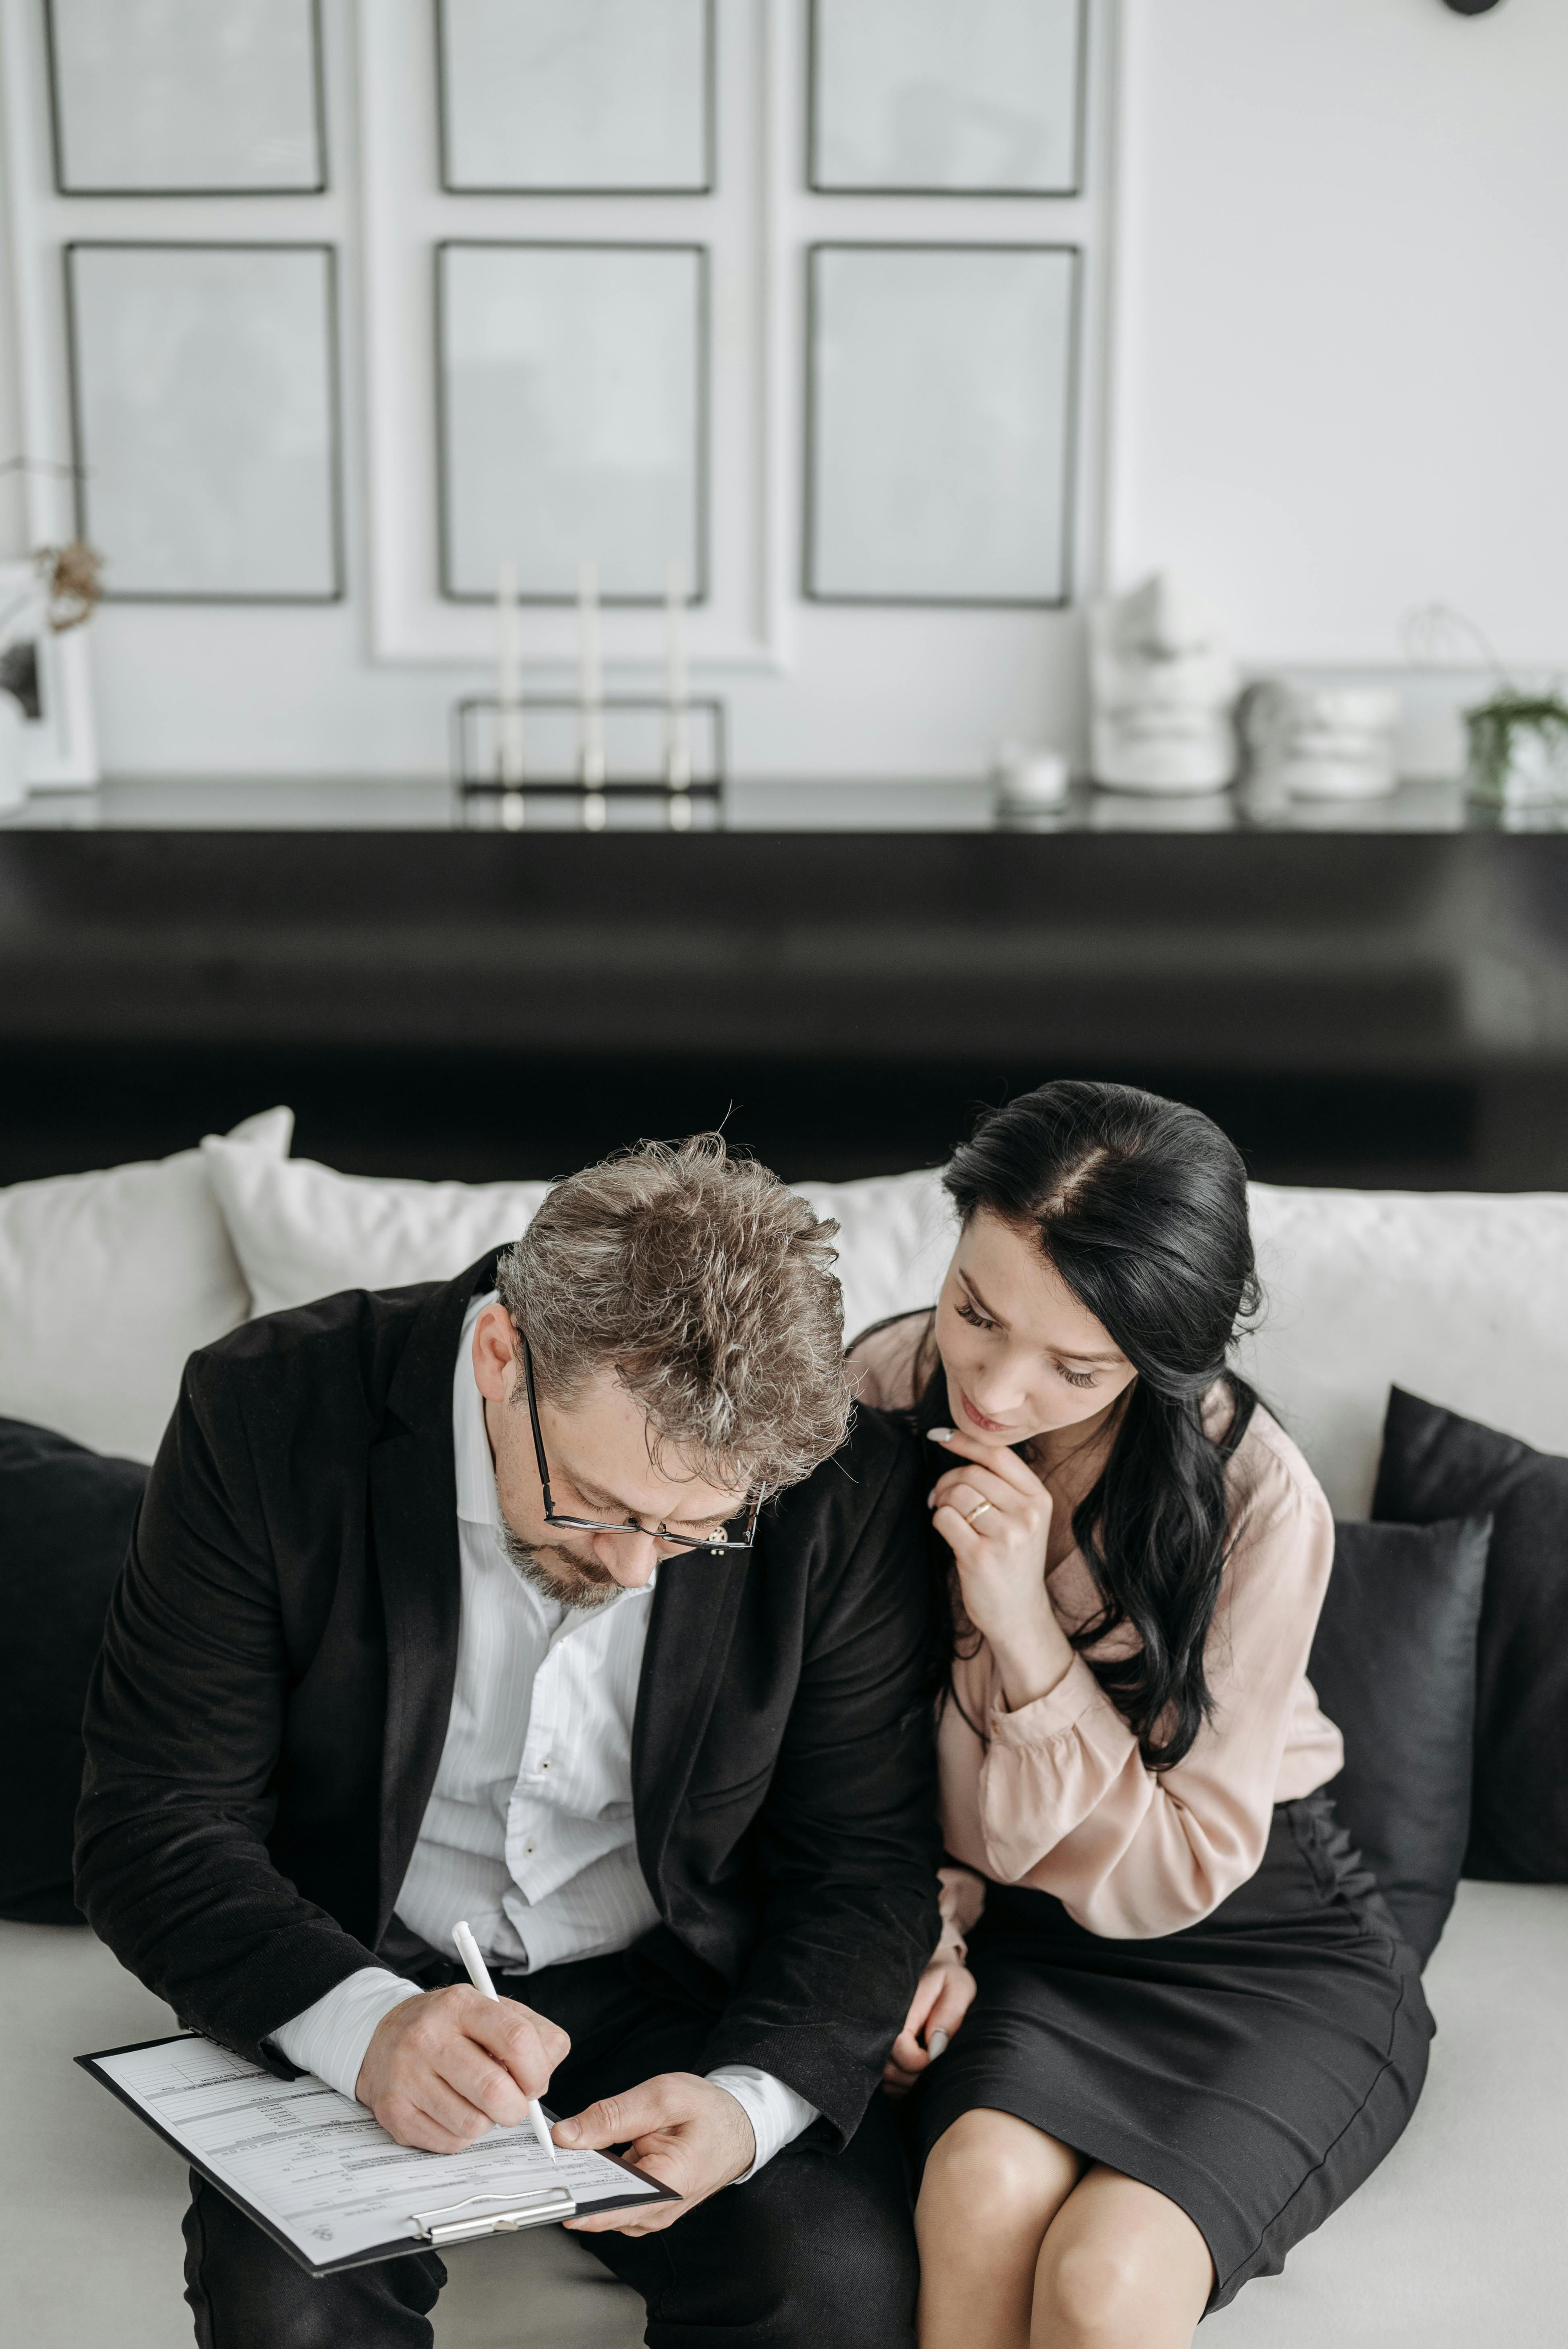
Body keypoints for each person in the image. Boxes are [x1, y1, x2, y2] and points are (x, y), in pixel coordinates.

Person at [77, 1136, 941, 2349]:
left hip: (684, 1990)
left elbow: (862, 1859)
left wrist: (749, 2104)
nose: (638, 1569)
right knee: (288, 2317)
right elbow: (156, 1819)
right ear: (500, 1357)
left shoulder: (837, 1487)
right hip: (360, 1951)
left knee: (836, 2287)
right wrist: (363, 2023)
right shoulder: (265, 1412)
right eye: (600, 1505)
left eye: (697, 1531)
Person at [851, 1081, 1432, 2349]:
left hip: (1249, 1929)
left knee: (1104, 2287)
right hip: (1023, 1937)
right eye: (976, 1312)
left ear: (1163, 1356)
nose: (996, 1393)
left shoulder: (1253, 1499)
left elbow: (1178, 1869)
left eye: (1075, 1366)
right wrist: (919, 1939)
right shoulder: (879, 1392)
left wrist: (1018, 1621)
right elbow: (829, 1739)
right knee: (977, 2195)